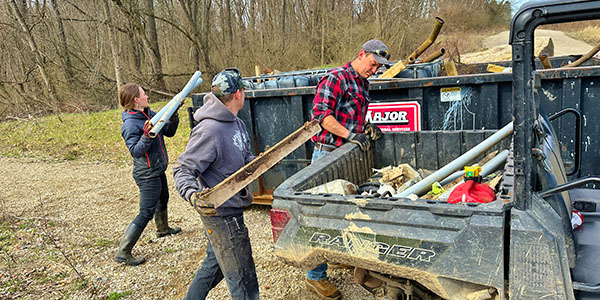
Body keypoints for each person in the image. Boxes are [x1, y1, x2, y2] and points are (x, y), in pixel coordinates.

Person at [306, 39, 388, 299]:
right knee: (318, 217)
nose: (374, 70)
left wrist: (366, 127)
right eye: (373, 64)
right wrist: (350, 134)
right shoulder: (336, 78)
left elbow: (352, 116)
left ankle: (335, 255)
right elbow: (322, 116)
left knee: (345, 212)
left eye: (378, 67)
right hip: (327, 155)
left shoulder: (363, 82)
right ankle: (314, 276)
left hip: (347, 155)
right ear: (361, 54)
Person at [173, 68, 259, 300]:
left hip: (234, 210)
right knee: (243, 280)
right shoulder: (210, 130)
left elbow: (245, 158)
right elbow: (183, 169)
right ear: (239, 93)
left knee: (215, 266)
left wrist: (260, 162)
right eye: (244, 91)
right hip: (221, 215)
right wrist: (194, 196)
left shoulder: (237, 124)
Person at [115, 83, 183, 266]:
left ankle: (162, 229)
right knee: (146, 212)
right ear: (136, 100)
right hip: (147, 174)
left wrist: (173, 114)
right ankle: (123, 251)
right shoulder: (130, 124)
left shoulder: (149, 114)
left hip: (157, 168)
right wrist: (147, 135)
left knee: (163, 198)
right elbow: (136, 151)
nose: (147, 96)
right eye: (144, 94)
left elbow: (169, 132)